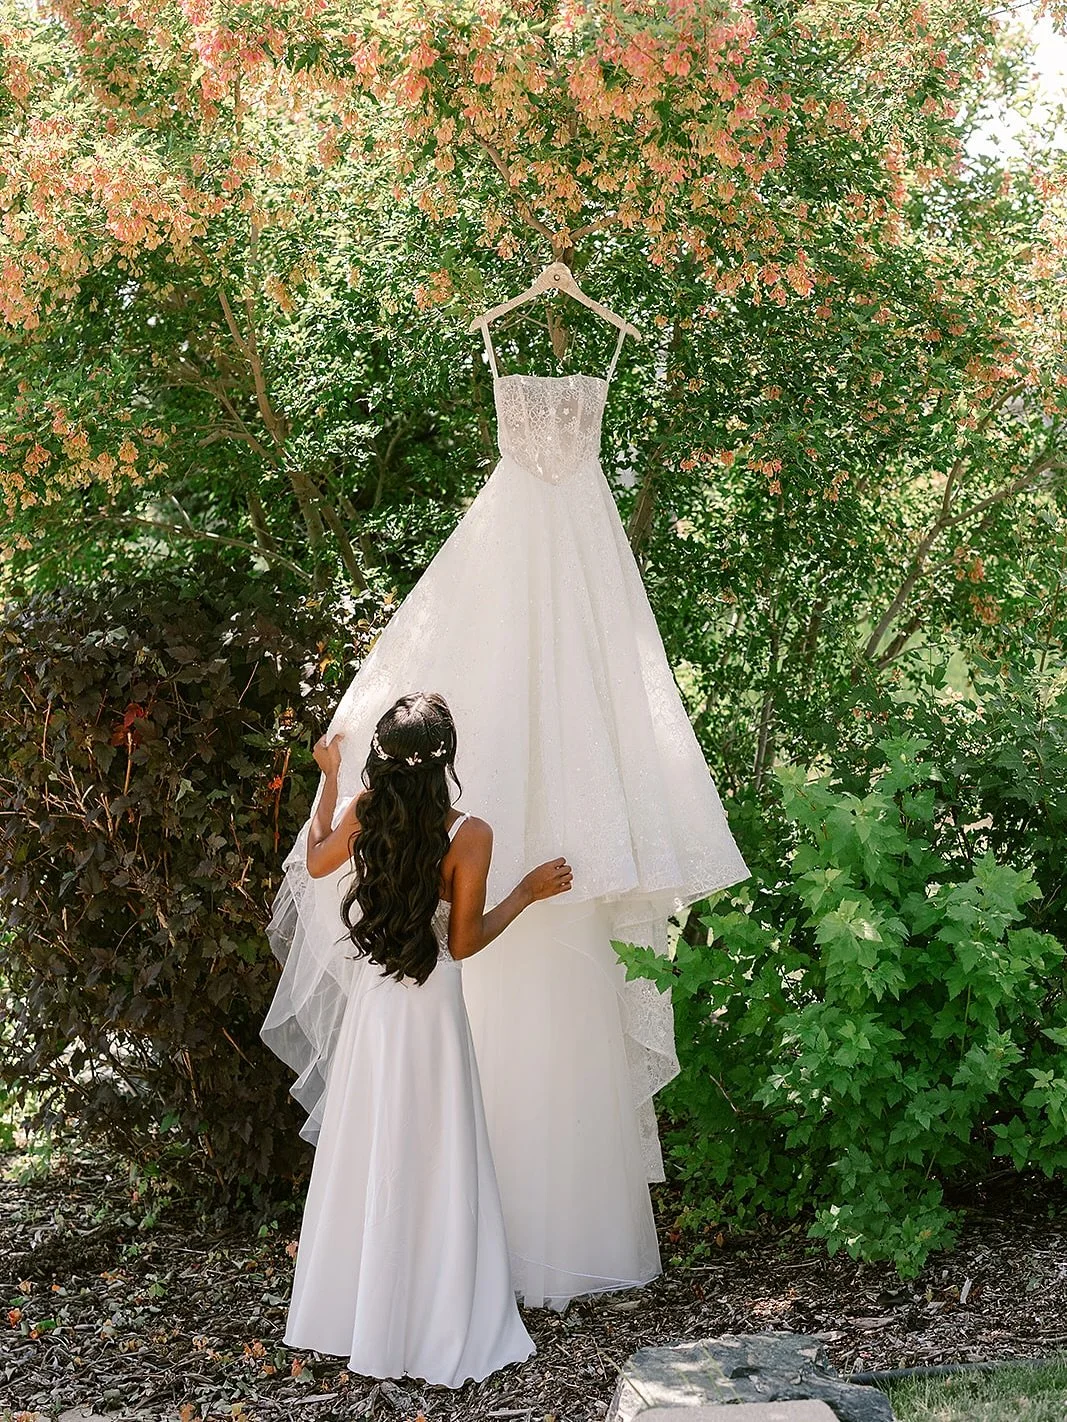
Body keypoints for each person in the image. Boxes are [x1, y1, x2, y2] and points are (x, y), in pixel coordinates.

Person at [281, 691, 572, 1387]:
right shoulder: (471, 835)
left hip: (377, 1002)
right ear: (446, 760)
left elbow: (315, 861)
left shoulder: (366, 811)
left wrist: (329, 779)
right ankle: (436, 1313)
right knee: (438, 1148)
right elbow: (463, 941)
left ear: (384, 757)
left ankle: (364, 1316)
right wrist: (526, 893)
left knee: (376, 1146)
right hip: (433, 1003)